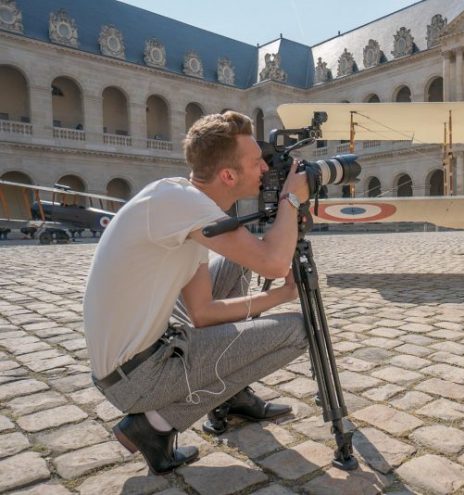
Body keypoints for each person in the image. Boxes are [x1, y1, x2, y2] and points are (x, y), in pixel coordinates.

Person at [83, 111, 310, 474]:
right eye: (257, 162)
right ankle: (153, 425)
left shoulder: (179, 198)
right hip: (137, 376)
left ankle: (231, 397)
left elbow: (202, 311)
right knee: (299, 331)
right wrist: (291, 200)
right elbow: (273, 262)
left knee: (237, 262)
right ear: (228, 175)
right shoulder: (185, 206)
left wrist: (278, 297)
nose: (266, 170)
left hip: (130, 362)